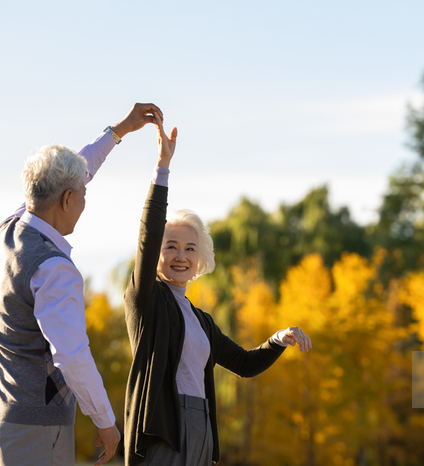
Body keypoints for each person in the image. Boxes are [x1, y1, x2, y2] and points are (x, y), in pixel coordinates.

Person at [123, 115, 312, 465]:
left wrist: (277, 339)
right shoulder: (146, 298)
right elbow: (148, 237)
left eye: (190, 248)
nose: (181, 256)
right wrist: (162, 168)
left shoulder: (201, 320)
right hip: (164, 430)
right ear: (157, 254)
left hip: (202, 428)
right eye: (171, 246)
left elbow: (244, 364)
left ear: (200, 259)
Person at [0, 103, 163, 466]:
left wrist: (118, 131)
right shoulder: (54, 268)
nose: (84, 200)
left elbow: (75, 170)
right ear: (67, 199)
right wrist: (106, 421)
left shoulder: (11, 229)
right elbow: (72, 355)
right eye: (82, 194)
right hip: (37, 432)